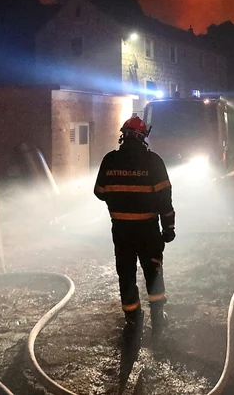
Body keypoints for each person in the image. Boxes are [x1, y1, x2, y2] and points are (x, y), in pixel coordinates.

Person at [94, 116, 176, 338]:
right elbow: (164, 200)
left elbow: (99, 192)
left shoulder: (110, 160)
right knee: (153, 271)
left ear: (124, 135)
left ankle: (133, 319)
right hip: (148, 230)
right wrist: (169, 228)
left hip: (121, 231)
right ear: (142, 137)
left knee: (126, 274)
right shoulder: (154, 162)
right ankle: (158, 316)